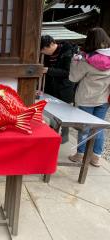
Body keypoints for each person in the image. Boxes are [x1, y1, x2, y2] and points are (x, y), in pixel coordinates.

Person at [68, 27, 110, 167]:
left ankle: (80, 154)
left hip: (86, 99)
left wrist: (74, 62)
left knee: (85, 127)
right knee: (98, 127)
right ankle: (96, 157)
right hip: (103, 99)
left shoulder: (87, 60)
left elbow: (73, 78)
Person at [40, 35, 76, 143]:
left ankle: (64, 136)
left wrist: (48, 70)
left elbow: (67, 72)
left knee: (64, 114)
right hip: (52, 87)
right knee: (53, 112)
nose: (43, 52)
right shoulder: (49, 55)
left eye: (44, 49)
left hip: (65, 88)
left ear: (51, 44)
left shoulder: (67, 52)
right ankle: (53, 134)